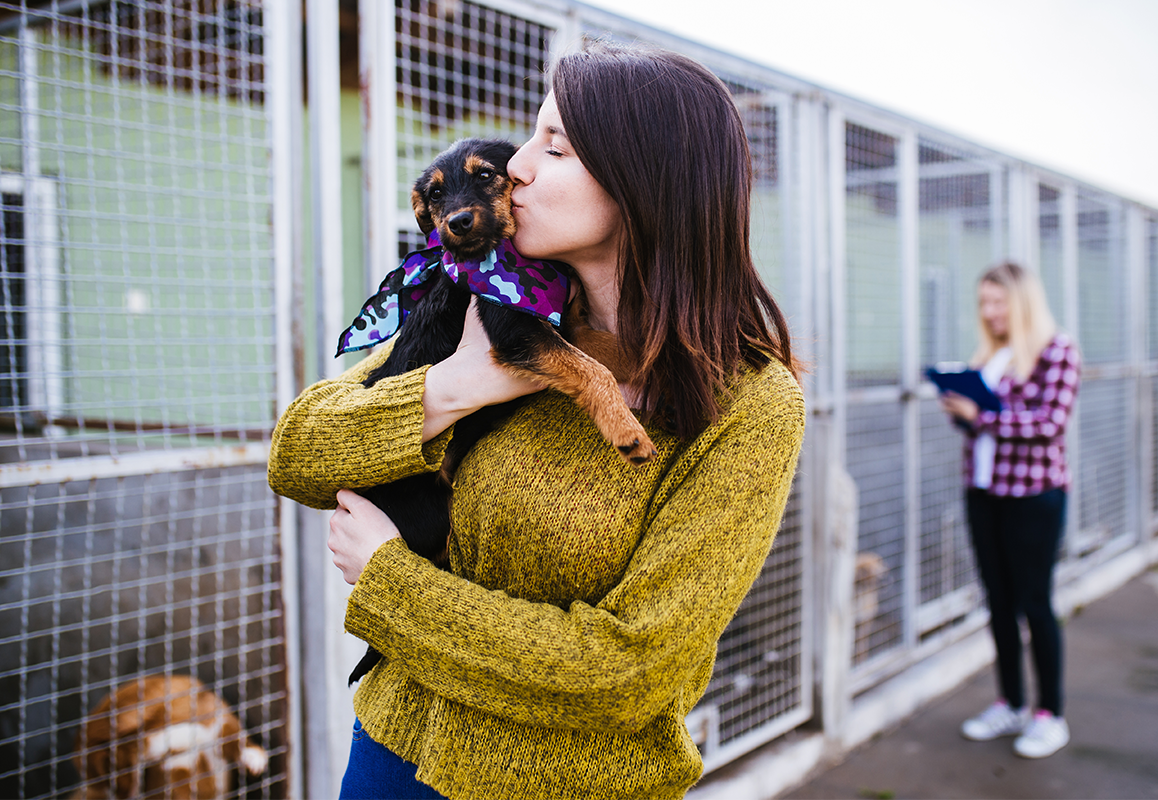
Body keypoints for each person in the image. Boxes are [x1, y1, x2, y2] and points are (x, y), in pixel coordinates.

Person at [268, 41, 805, 800]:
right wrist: (457, 386)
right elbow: (294, 454)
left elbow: (630, 672)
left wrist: (389, 584)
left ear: (643, 182)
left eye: (553, 146)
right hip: (389, 751)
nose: (516, 165)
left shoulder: (751, 405)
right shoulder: (495, 313)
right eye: (529, 138)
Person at [938, 261, 1079, 759]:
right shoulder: (990, 353)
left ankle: (1050, 715)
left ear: (1021, 302)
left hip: (1033, 496)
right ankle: (1012, 703)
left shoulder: (1056, 350)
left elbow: (1050, 423)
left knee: (1035, 604)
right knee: (998, 602)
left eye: (998, 302)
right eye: (983, 302)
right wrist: (962, 412)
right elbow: (983, 429)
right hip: (984, 493)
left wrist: (985, 415)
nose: (990, 311)